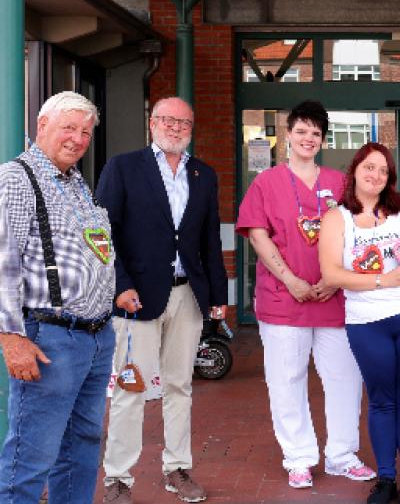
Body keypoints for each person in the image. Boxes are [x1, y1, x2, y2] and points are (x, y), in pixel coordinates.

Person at [235, 101, 375, 489]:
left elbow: (359, 232)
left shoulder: (340, 182)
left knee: (345, 378)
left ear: (323, 139)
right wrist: (291, 280)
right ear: (288, 135)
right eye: (301, 131)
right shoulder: (266, 182)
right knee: (286, 379)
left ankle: (342, 455)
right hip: (283, 299)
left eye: (316, 133)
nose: (308, 139)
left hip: (335, 299)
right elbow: (258, 235)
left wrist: (335, 279)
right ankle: (298, 457)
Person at [98, 96, 228, 504]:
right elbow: (102, 234)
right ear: (152, 123)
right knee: (130, 387)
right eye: (167, 120)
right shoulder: (123, 167)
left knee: (180, 386)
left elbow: (209, 240)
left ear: (191, 127)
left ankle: (178, 468)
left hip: (188, 295)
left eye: (183, 122)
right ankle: (117, 477)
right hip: (135, 298)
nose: (175, 127)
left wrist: (218, 296)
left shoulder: (203, 174)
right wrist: (119, 284)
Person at [319, 143, 400, 504]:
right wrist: (384, 281)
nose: (375, 175)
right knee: (380, 400)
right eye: (369, 167)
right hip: (366, 321)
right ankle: (386, 479)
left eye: (383, 170)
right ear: (355, 169)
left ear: (389, 177)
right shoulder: (337, 217)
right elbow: (331, 273)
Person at [0, 92, 115, 503]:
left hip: (96, 336)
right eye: (69, 128)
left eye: (85, 131)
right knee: (32, 452)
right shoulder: (17, 177)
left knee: (82, 445)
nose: (78, 139)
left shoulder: (76, 183)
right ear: (41, 126)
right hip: (49, 337)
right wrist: (10, 336)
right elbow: (2, 262)